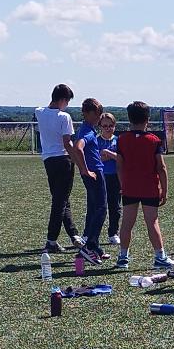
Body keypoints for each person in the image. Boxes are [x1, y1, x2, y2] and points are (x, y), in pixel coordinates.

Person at [114, 100, 174, 272]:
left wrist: (123, 184)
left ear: (129, 118)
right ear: (147, 119)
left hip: (130, 187)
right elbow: (161, 167)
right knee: (152, 222)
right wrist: (164, 190)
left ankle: (123, 257)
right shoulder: (154, 140)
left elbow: (119, 166)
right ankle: (160, 257)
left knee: (127, 223)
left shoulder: (122, 140)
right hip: (149, 188)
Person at [37, 84, 81, 252]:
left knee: (62, 199)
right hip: (63, 160)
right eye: (67, 101)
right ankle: (51, 240)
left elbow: (43, 109)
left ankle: (74, 235)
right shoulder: (64, 117)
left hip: (48, 161)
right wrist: (79, 162)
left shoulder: (39, 112)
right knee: (60, 202)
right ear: (62, 100)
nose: (67, 105)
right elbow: (67, 143)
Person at [75, 98, 110, 263]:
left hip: (94, 171)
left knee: (96, 208)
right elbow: (78, 147)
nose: (99, 118)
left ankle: (94, 245)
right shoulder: (87, 132)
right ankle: (89, 246)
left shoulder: (86, 129)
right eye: (96, 114)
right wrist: (85, 170)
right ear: (87, 113)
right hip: (94, 172)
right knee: (101, 209)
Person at [95, 111, 122, 241]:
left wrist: (108, 153)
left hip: (116, 177)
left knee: (115, 207)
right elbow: (95, 160)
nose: (108, 128)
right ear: (100, 126)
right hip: (100, 176)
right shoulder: (96, 140)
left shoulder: (118, 141)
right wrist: (108, 157)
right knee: (99, 207)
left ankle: (113, 233)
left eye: (110, 126)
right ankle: (92, 234)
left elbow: (122, 159)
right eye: (105, 126)